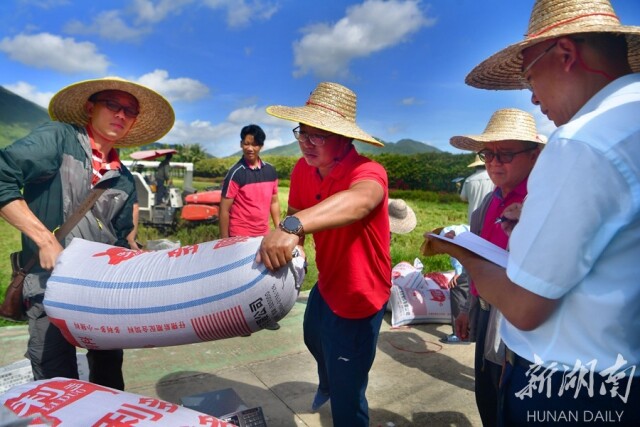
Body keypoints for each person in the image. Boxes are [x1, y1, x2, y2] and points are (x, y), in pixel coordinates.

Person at [428, 0, 640, 425]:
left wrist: (461, 251)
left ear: (565, 54)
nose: (532, 95)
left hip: (568, 388)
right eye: (487, 155)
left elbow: (524, 306)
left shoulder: (581, 140)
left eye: (529, 75)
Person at [0, 77, 174, 390]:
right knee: (56, 381)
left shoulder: (123, 178)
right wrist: (43, 238)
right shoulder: (59, 140)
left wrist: (139, 261)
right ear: (90, 107)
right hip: (47, 287)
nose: (121, 114)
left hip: (100, 292)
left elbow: (120, 239)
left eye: (129, 111)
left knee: (109, 374)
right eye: (113, 104)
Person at [258, 82, 390, 427]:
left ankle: (341, 387)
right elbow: (297, 216)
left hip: (359, 292)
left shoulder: (368, 171)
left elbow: (361, 200)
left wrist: (290, 226)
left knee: (349, 400)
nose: (305, 142)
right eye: (303, 132)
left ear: (345, 139)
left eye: (319, 136)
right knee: (313, 335)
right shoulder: (304, 169)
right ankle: (329, 377)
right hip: (329, 281)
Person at [448, 108, 545, 426]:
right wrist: (466, 308)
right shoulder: (490, 202)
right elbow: (477, 259)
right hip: (487, 312)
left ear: (534, 156)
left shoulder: (540, 204)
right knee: (486, 398)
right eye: (488, 153)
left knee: (510, 408)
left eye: (505, 154)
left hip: (518, 323)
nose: (493, 162)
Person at [219, 124, 281, 331]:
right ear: (241, 144)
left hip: (262, 234)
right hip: (240, 235)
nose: (249, 148)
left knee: (264, 278)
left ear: (261, 146)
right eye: (246, 143)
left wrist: (278, 227)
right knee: (240, 280)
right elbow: (224, 209)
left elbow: (274, 201)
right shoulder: (236, 173)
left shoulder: (270, 171)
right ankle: (239, 321)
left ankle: (265, 317)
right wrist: (224, 240)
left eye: (254, 144)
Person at [459, 155, 494, 221]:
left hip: (472, 217)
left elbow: (463, 197)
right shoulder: (493, 179)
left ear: (475, 166)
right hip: (489, 215)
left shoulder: (468, 180)